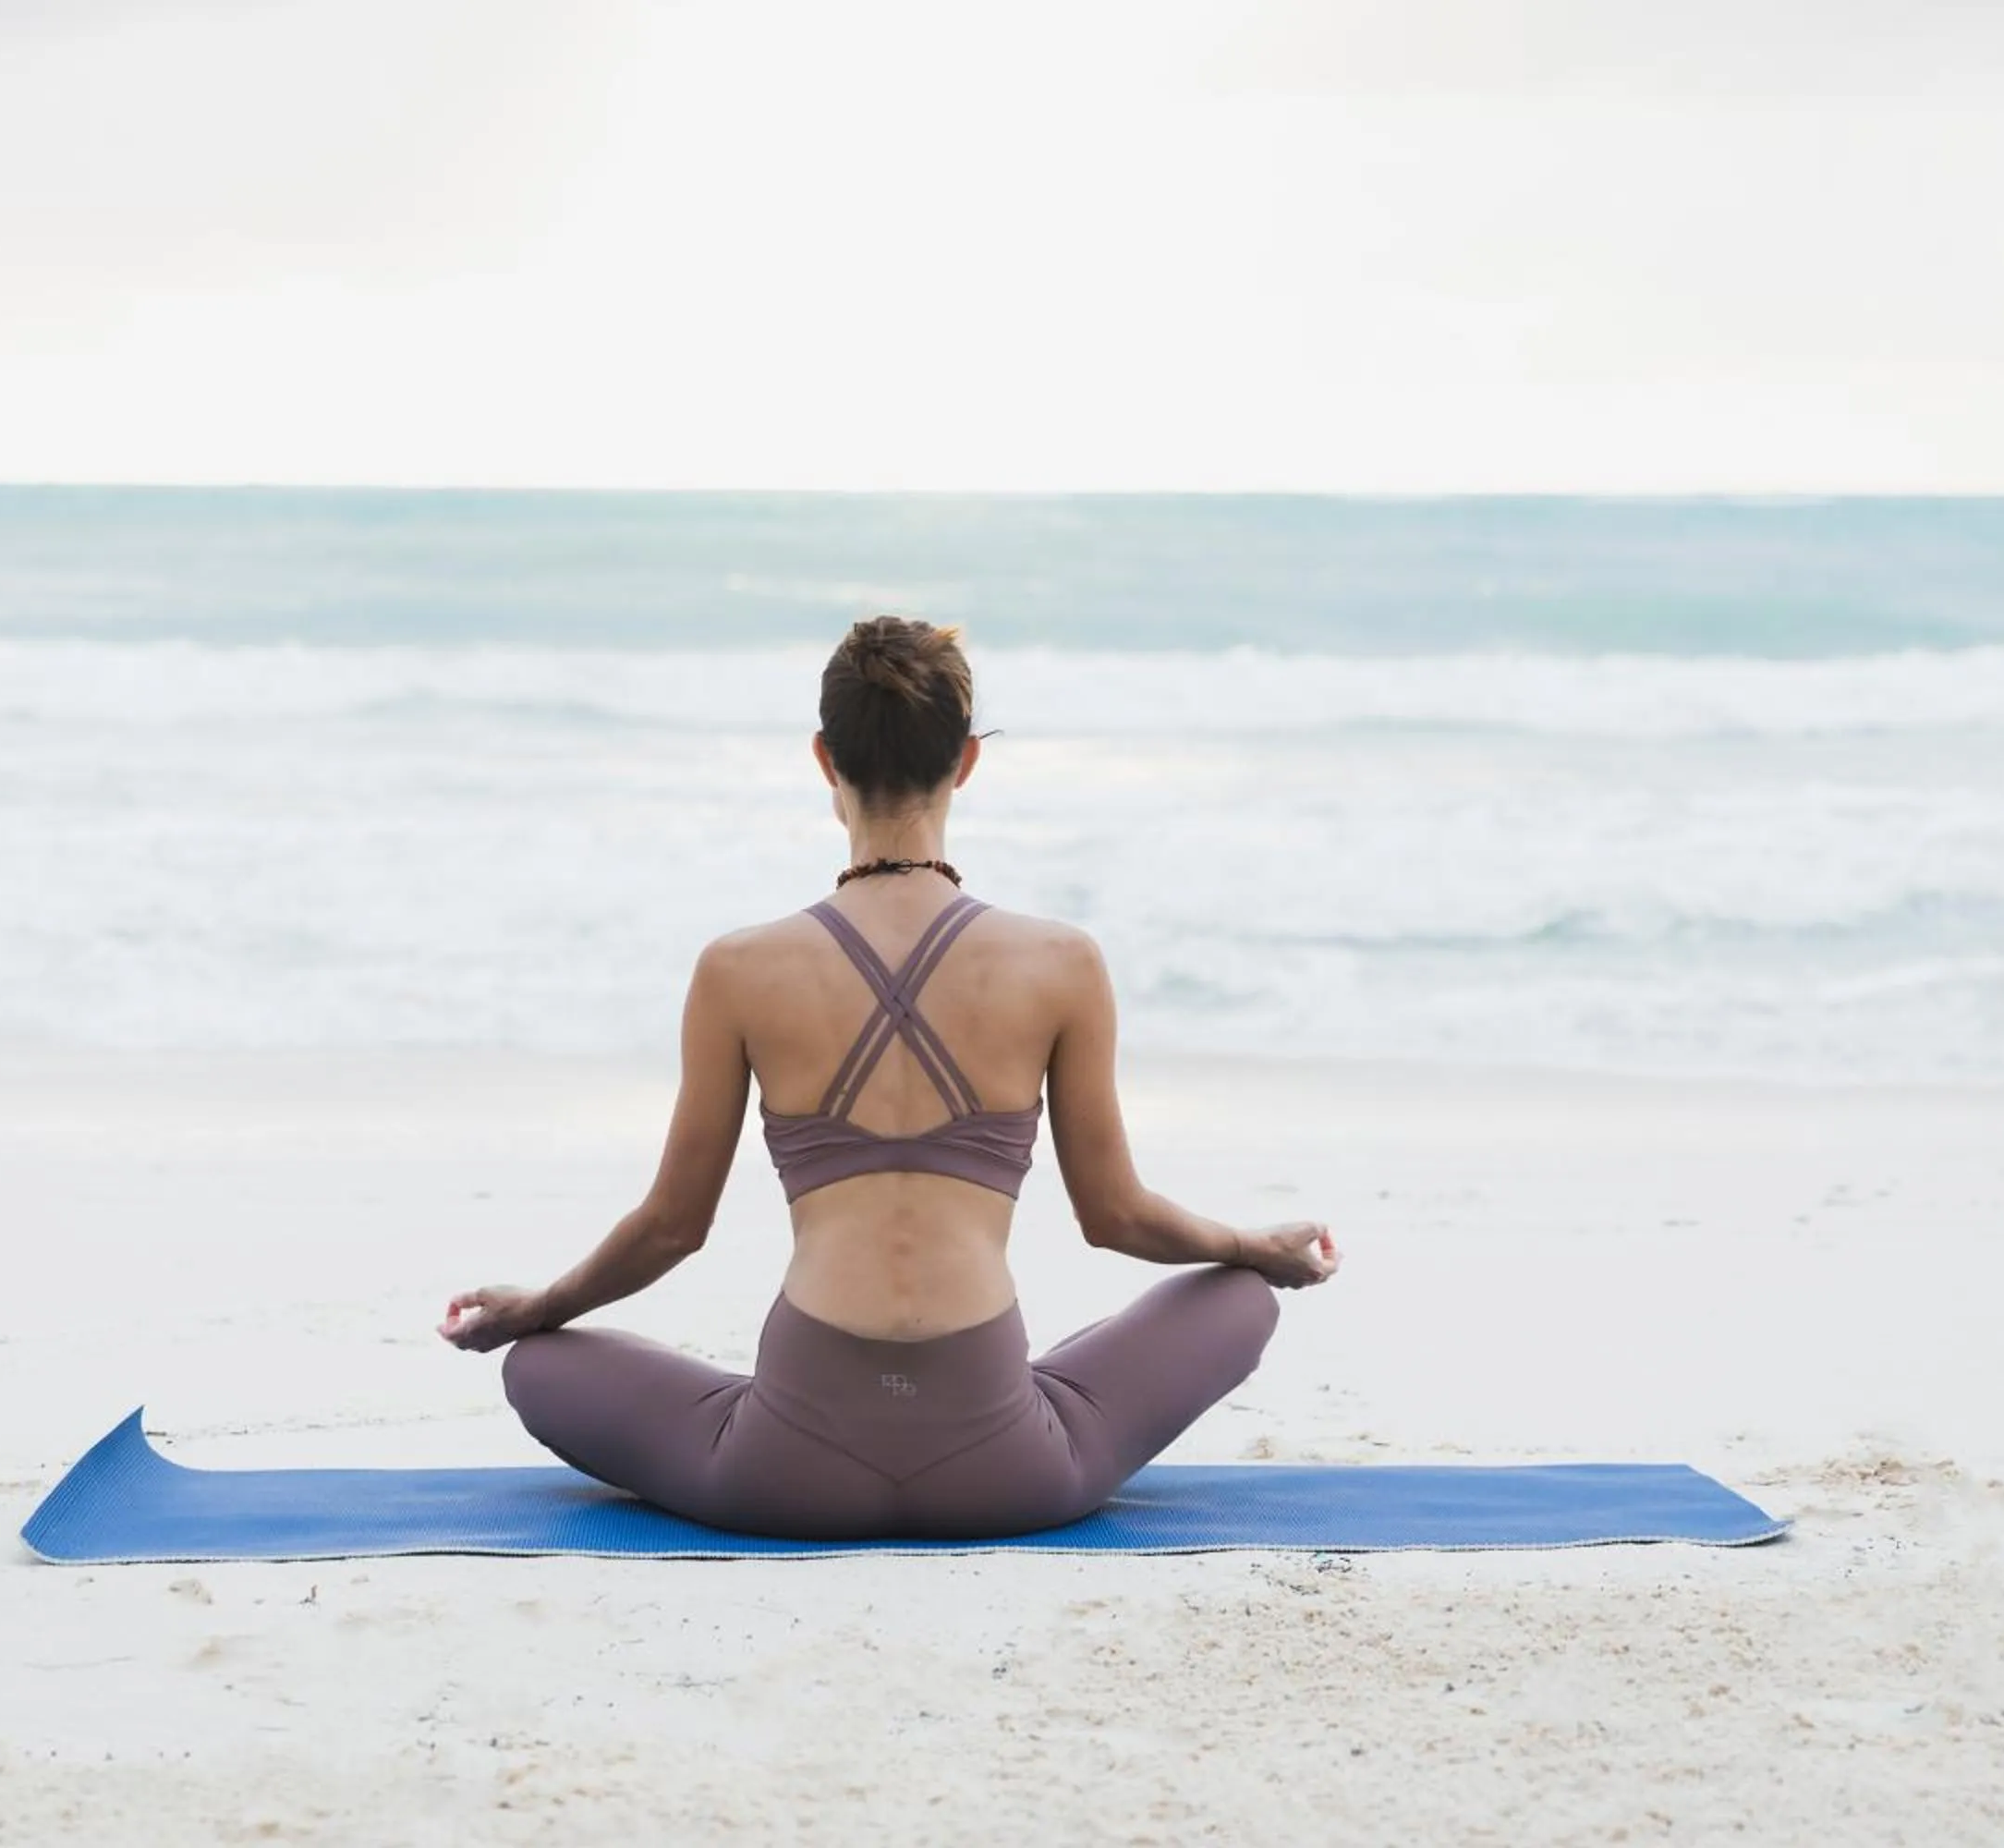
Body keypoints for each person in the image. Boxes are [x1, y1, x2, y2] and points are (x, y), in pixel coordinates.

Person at [438, 616, 1340, 1539]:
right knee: (1237, 1295)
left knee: (536, 1364)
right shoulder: (1061, 961)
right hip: (1012, 1470)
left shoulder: (738, 968)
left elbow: (672, 1228)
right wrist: (1249, 1242)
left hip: (783, 1471)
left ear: (826, 759)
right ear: (967, 762)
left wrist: (537, 1307)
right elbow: (1117, 1217)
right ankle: (1029, 1386)